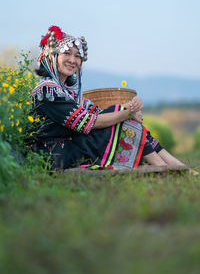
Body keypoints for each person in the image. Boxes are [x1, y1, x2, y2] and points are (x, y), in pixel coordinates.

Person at [27, 25, 197, 173]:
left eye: (77, 56)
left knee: (123, 119)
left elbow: (98, 112)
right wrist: (127, 113)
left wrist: (129, 109)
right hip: (53, 154)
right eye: (67, 54)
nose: (73, 60)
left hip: (72, 146)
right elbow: (87, 122)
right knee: (122, 119)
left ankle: (180, 168)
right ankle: (166, 170)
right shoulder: (47, 91)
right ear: (52, 56)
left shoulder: (69, 93)